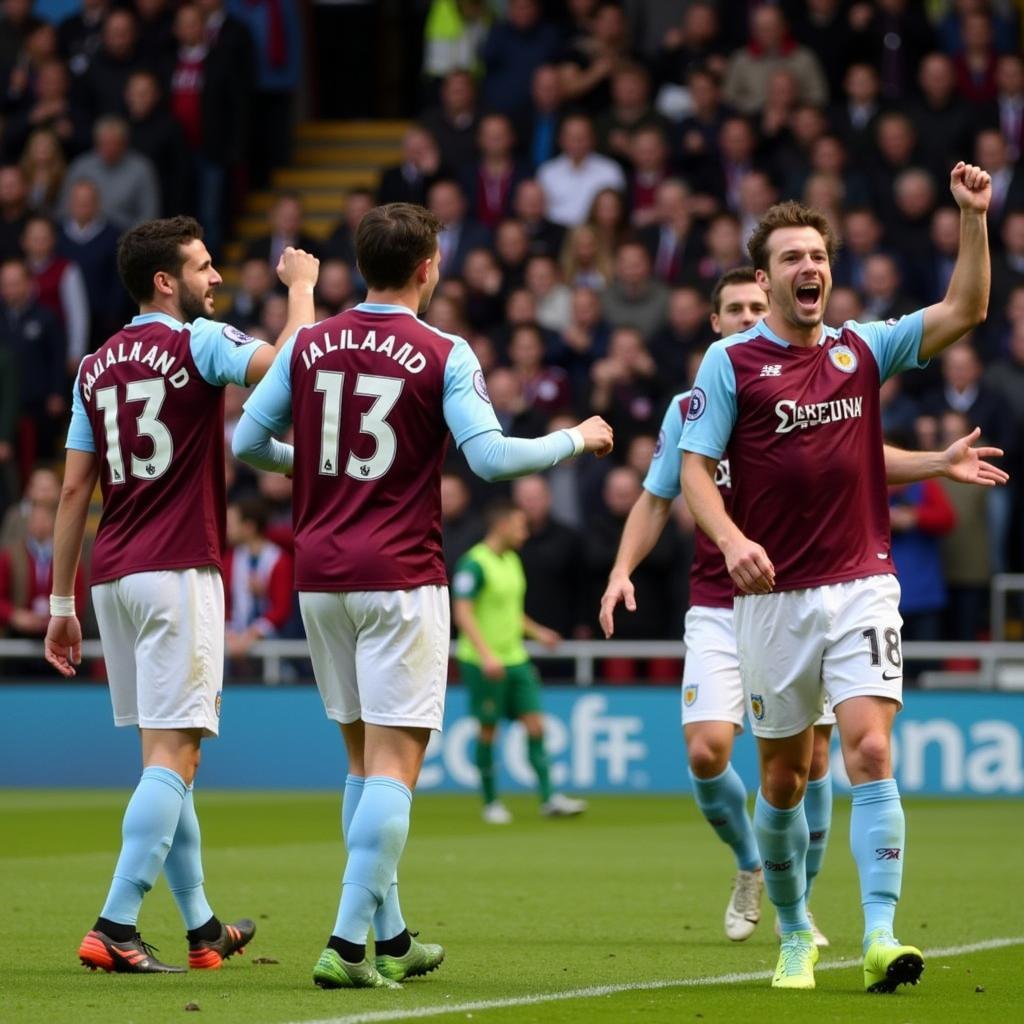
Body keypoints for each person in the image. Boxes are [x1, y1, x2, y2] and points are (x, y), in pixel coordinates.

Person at [232, 201, 613, 990]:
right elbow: (493, 460)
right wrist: (579, 438)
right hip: (399, 578)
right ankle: (344, 946)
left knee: (363, 765)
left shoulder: (308, 345)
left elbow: (245, 443)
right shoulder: (443, 351)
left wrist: (314, 472)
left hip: (320, 579)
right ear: (429, 267)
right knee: (396, 768)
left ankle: (393, 937)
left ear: (360, 264)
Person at [601, 265, 1008, 947]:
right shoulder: (693, 406)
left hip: (801, 591)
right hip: (719, 603)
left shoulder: (802, 377)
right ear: (713, 322)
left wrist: (935, 461)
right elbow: (657, 495)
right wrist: (621, 569)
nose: (743, 316)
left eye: (754, 305)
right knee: (705, 751)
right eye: (731, 307)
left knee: (813, 763)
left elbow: (857, 457)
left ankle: (802, 906)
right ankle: (750, 864)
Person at [679, 164, 993, 991]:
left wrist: (971, 217)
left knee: (871, 749)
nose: (808, 267)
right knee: (784, 775)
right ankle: (792, 932)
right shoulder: (730, 363)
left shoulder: (862, 349)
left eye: (817, 254)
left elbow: (966, 310)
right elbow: (694, 471)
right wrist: (730, 535)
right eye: (791, 258)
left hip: (861, 583)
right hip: (772, 599)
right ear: (766, 276)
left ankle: (883, 936)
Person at [43, 215, 320, 973]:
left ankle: (202, 929)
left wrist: (63, 607)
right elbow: (288, 370)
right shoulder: (197, 341)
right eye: (202, 267)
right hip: (178, 572)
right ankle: (116, 922)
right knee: (178, 755)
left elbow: (73, 491)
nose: (215, 279)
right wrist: (302, 292)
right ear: (165, 281)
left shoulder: (94, 367)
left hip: (114, 579)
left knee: (163, 759)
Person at [453, 499, 586, 824]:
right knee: (488, 731)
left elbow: (510, 612)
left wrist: (539, 633)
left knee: (536, 725)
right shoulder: (474, 564)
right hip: (484, 662)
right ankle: (490, 803)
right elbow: (462, 611)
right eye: (519, 526)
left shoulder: (512, 560)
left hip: (515, 658)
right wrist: (485, 655)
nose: (524, 533)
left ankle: (549, 798)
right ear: (501, 526)